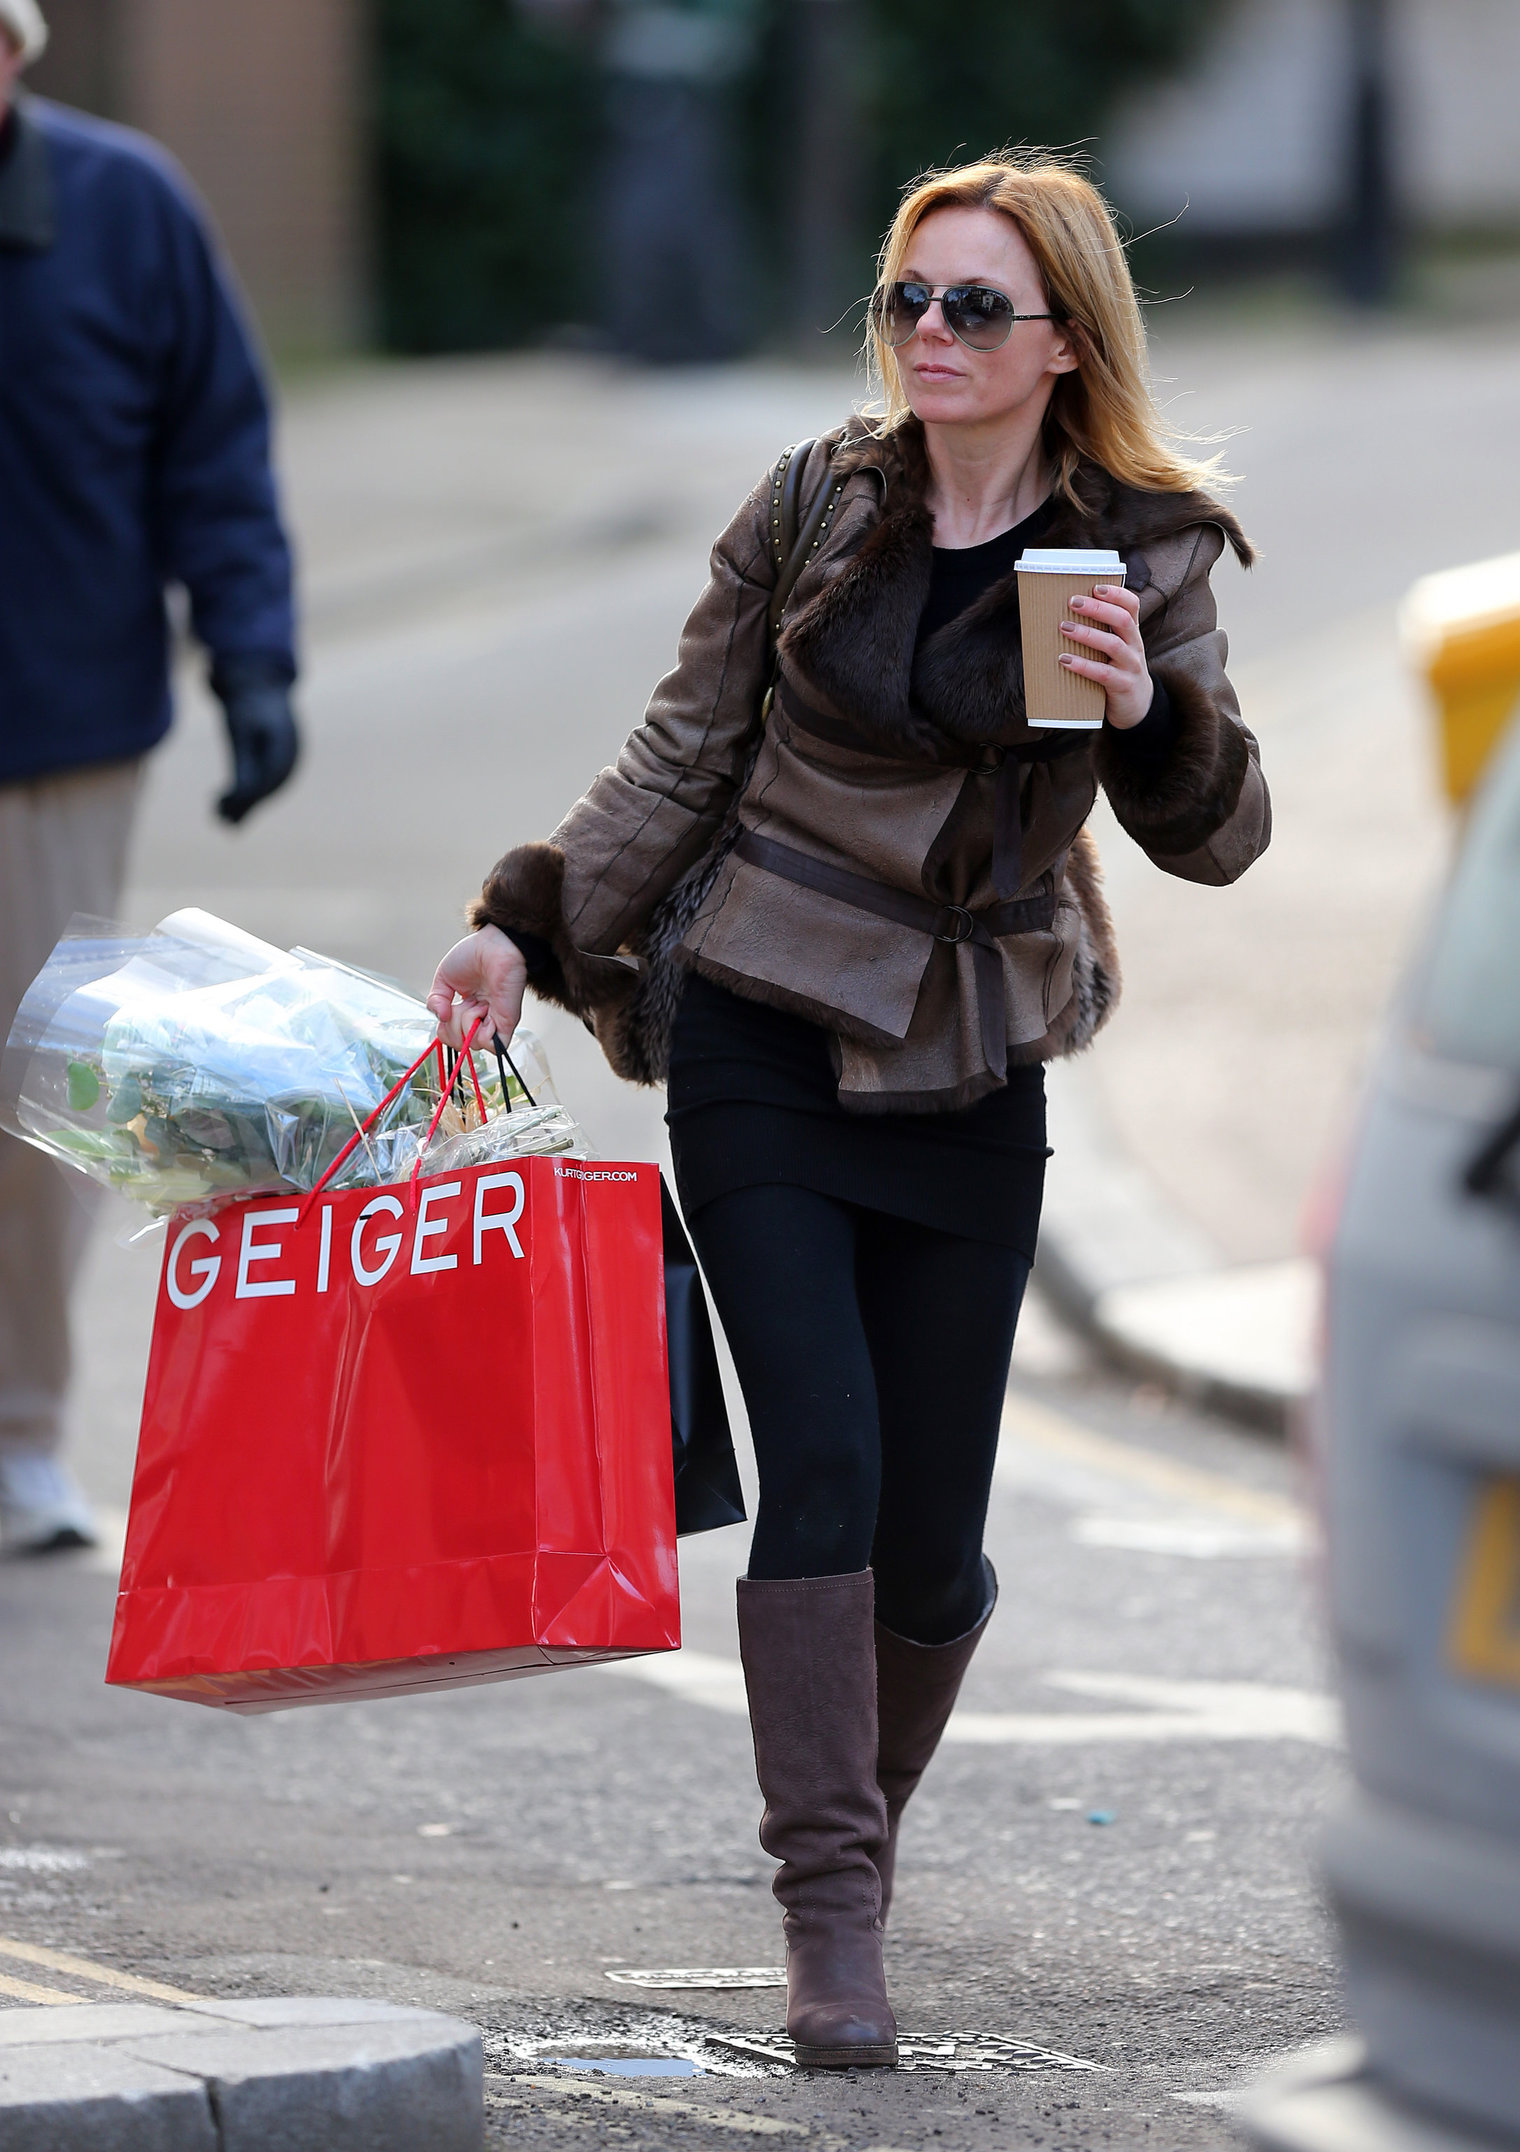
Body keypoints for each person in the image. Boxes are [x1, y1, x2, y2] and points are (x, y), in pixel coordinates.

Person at [428, 151, 1268, 2066]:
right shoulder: (817, 504)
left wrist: (1154, 716)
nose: (933, 339)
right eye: (909, 301)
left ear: (1065, 341)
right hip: (762, 1020)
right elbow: (680, 752)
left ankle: (856, 1833)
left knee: (938, 1545)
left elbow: (1220, 843)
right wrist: (519, 922)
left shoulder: (1143, 549)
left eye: (977, 308)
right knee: (821, 1458)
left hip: (972, 1048)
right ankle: (831, 1909)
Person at [0, 0, 299, 1553]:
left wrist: (251, 658)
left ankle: (19, 1436)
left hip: (48, 741)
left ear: (14, 51)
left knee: (22, 1102)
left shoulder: (126, 211)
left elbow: (217, 450)